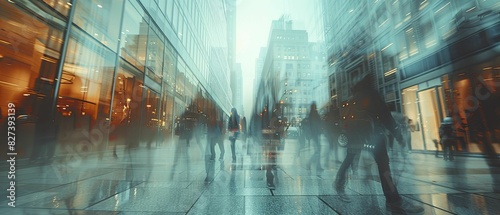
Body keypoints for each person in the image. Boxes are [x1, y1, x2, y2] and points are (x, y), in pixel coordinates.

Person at [333, 74, 424, 214]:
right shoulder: (372, 94)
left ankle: (339, 181)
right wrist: (398, 136)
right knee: (383, 166)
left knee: (350, 157)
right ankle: (394, 201)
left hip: (356, 136)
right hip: (374, 135)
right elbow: (385, 115)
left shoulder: (354, 98)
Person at [306, 102, 324, 172]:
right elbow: (316, 124)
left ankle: (318, 166)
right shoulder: (314, 114)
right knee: (317, 151)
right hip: (315, 134)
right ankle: (310, 163)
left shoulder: (312, 114)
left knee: (318, 151)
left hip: (315, 134)